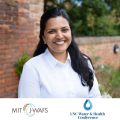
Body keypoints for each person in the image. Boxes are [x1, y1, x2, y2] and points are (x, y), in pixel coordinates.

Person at [18, 8, 101, 98]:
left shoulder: (84, 62)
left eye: (64, 30)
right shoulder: (32, 68)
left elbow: (95, 98)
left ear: (70, 33)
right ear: (44, 38)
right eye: (52, 31)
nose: (60, 36)